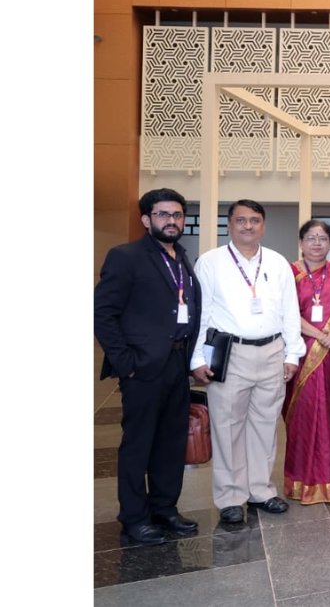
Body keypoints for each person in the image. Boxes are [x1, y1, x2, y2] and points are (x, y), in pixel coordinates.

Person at [95, 188, 202, 545]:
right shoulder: (126, 257)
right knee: (138, 445)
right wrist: (126, 363)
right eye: (162, 214)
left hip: (177, 363)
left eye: (177, 214)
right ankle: (134, 518)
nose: (171, 221)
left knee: (171, 442)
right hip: (142, 367)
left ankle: (164, 509)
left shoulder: (182, 258)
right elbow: (103, 313)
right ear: (146, 219)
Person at [190, 199, 306, 524]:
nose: (248, 226)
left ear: (263, 225)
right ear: (229, 225)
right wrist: (197, 357)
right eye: (241, 220)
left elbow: (290, 311)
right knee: (227, 426)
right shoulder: (211, 262)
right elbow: (202, 313)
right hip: (230, 353)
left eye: (254, 220)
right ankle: (230, 497)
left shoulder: (278, 262)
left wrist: (292, 353)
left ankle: (261, 491)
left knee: (265, 425)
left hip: (272, 352)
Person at [283, 220, 330, 505]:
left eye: (323, 238)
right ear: (301, 242)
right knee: (301, 417)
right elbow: (286, 312)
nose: (317, 243)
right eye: (311, 238)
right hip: (300, 353)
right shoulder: (288, 273)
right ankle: (299, 480)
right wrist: (322, 336)